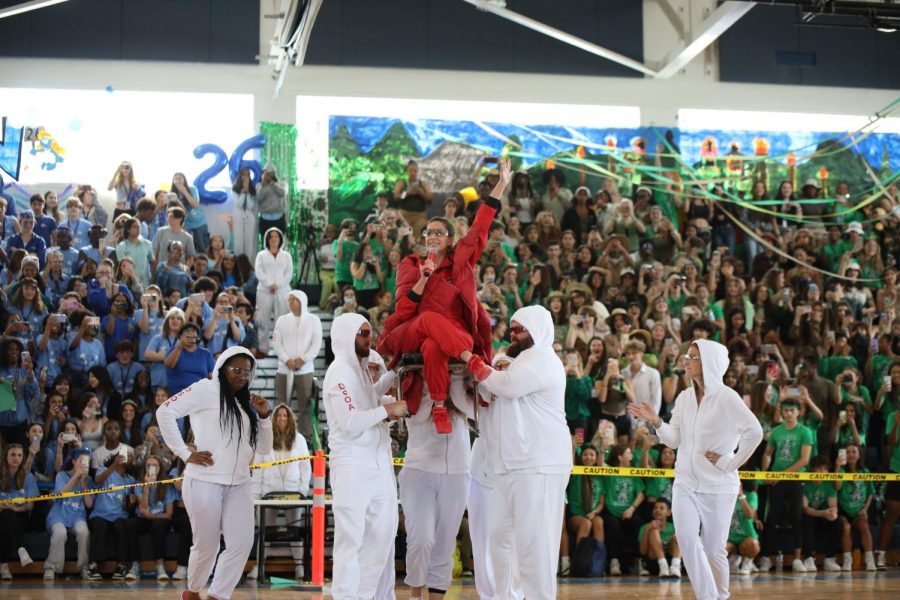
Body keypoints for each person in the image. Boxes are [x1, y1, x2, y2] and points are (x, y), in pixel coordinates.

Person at [378, 159, 511, 434]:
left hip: (455, 334)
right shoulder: (411, 264)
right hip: (415, 328)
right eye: (430, 232)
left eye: (440, 233)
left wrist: (500, 185)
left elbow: (480, 228)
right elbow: (403, 312)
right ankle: (472, 361)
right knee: (427, 319)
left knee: (433, 346)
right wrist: (424, 279)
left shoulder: (460, 261)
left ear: (451, 240)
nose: (434, 236)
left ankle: (439, 404)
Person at [630, 339, 763, 600]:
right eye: (687, 356)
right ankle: (707, 597)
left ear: (709, 363)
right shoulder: (684, 397)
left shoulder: (728, 398)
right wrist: (656, 421)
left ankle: (720, 596)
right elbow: (675, 440)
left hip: (719, 486)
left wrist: (729, 463)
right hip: (685, 482)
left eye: (692, 357)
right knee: (687, 541)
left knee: (714, 550)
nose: (685, 361)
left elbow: (755, 432)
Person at [462, 305, 572, 600]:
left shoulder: (542, 360)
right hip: (510, 466)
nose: (514, 334)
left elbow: (507, 386)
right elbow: (483, 401)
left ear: (537, 329)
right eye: (511, 329)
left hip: (540, 464)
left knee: (534, 546)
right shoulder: (515, 363)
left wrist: (472, 361)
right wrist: (466, 384)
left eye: (520, 328)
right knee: (501, 540)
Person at [156, 346, 272, 600]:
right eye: (236, 370)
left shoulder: (244, 405)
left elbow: (264, 448)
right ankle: (194, 591)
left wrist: (264, 417)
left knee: (241, 544)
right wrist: (185, 453)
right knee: (206, 546)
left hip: (240, 483)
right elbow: (164, 411)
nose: (241, 376)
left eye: (246, 372)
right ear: (222, 368)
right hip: (204, 480)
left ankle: (218, 595)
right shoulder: (205, 389)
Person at [323, 313, 406, 600]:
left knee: (383, 537)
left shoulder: (359, 369)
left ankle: (364, 595)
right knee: (351, 540)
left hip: (379, 465)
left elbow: (369, 396)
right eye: (362, 333)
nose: (368, 338)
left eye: (369, 332)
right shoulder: (339, 372)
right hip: (352, 466)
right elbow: (350, 421)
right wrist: (388, 410)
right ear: (346, 335)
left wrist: (394, 373)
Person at [272, 290, 322, 442]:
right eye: (290, 300)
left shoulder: (313, 320)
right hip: (283, 368)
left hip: (305, 369)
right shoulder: (282, 320)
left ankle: (305, 438)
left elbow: (316, 343)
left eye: (294, 300)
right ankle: (280, 436)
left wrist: (303, 359)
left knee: (306, 405)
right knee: (281, 404)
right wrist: (286, 359)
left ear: (302, 301)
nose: (291, 302)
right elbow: (276, 342)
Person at [0, 443, 37, 580]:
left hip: (21, 517)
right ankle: (22, 549)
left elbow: (30, 506)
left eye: (19, 455)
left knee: (6, 523)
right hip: (2, 514)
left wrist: (16, 508)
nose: (16, 458)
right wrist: (4, 508)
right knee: (5, 517)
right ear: (6, 457)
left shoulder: (28, 477)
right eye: (13, 455)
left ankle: (4, 567)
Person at [254, 227, 292, 354]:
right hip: (264, 291)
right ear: (267, 239)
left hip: (283, 291)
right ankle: (263, 348)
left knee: (281, 320)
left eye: (276, 236)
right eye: (271, 237)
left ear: (280, 239)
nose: (274, 239)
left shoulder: (287, 256)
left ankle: (281, 349)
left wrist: (278, 285)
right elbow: (259, 271)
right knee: (263, 320)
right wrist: (269, 284)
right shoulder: (261, 255)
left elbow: (289, 274)